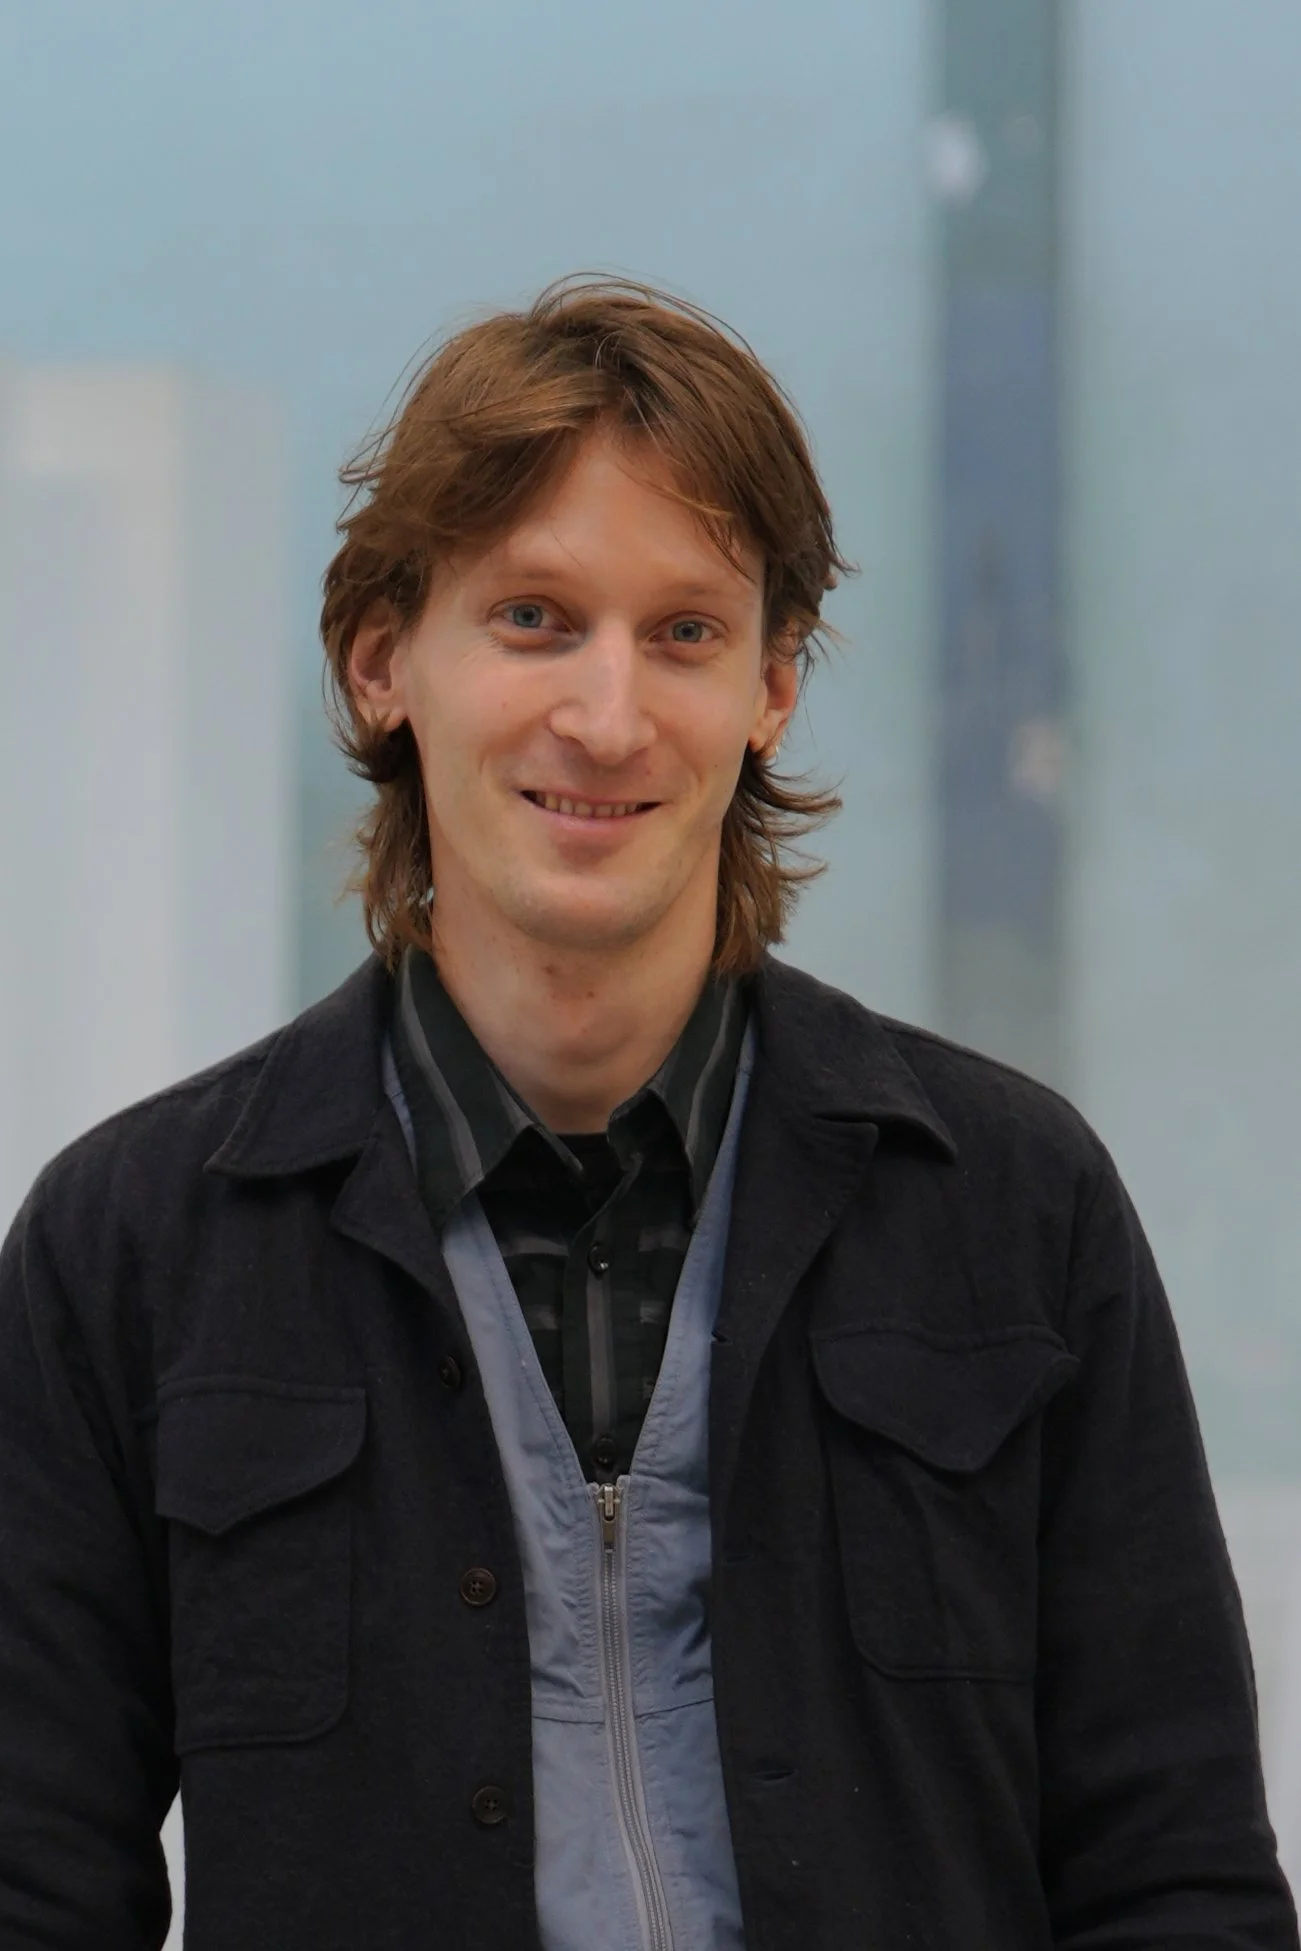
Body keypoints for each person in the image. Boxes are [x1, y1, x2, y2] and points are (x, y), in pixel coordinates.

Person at [0, 275, 1293, 1951]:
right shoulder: (129, 1250)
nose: (607, 718)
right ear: (384, 661)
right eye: (534, 617)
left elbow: (1178, 1880)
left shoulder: (1017, 1207)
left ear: (772, 687)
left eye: (685, 631)